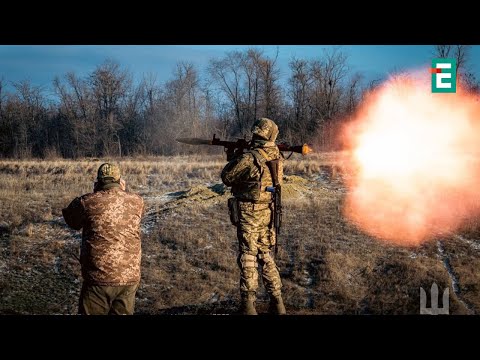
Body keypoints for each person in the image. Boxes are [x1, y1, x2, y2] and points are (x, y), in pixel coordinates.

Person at [221, 118, 286, 315]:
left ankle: (248, 305)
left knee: (248, 255)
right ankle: (277, 302)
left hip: (249, 212)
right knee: (265, 254)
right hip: (267, 210)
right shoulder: (277, 155)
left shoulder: (250, 157)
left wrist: (234, 156)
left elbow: (227, 177)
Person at [62, 163, 144, 315]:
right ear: (120, 180)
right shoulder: (137, 201)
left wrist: (94, 193)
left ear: (98, 181)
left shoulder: (87, 202)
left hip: (98, 278)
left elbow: (71, 221)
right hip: (129, 277)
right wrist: (123, 192)